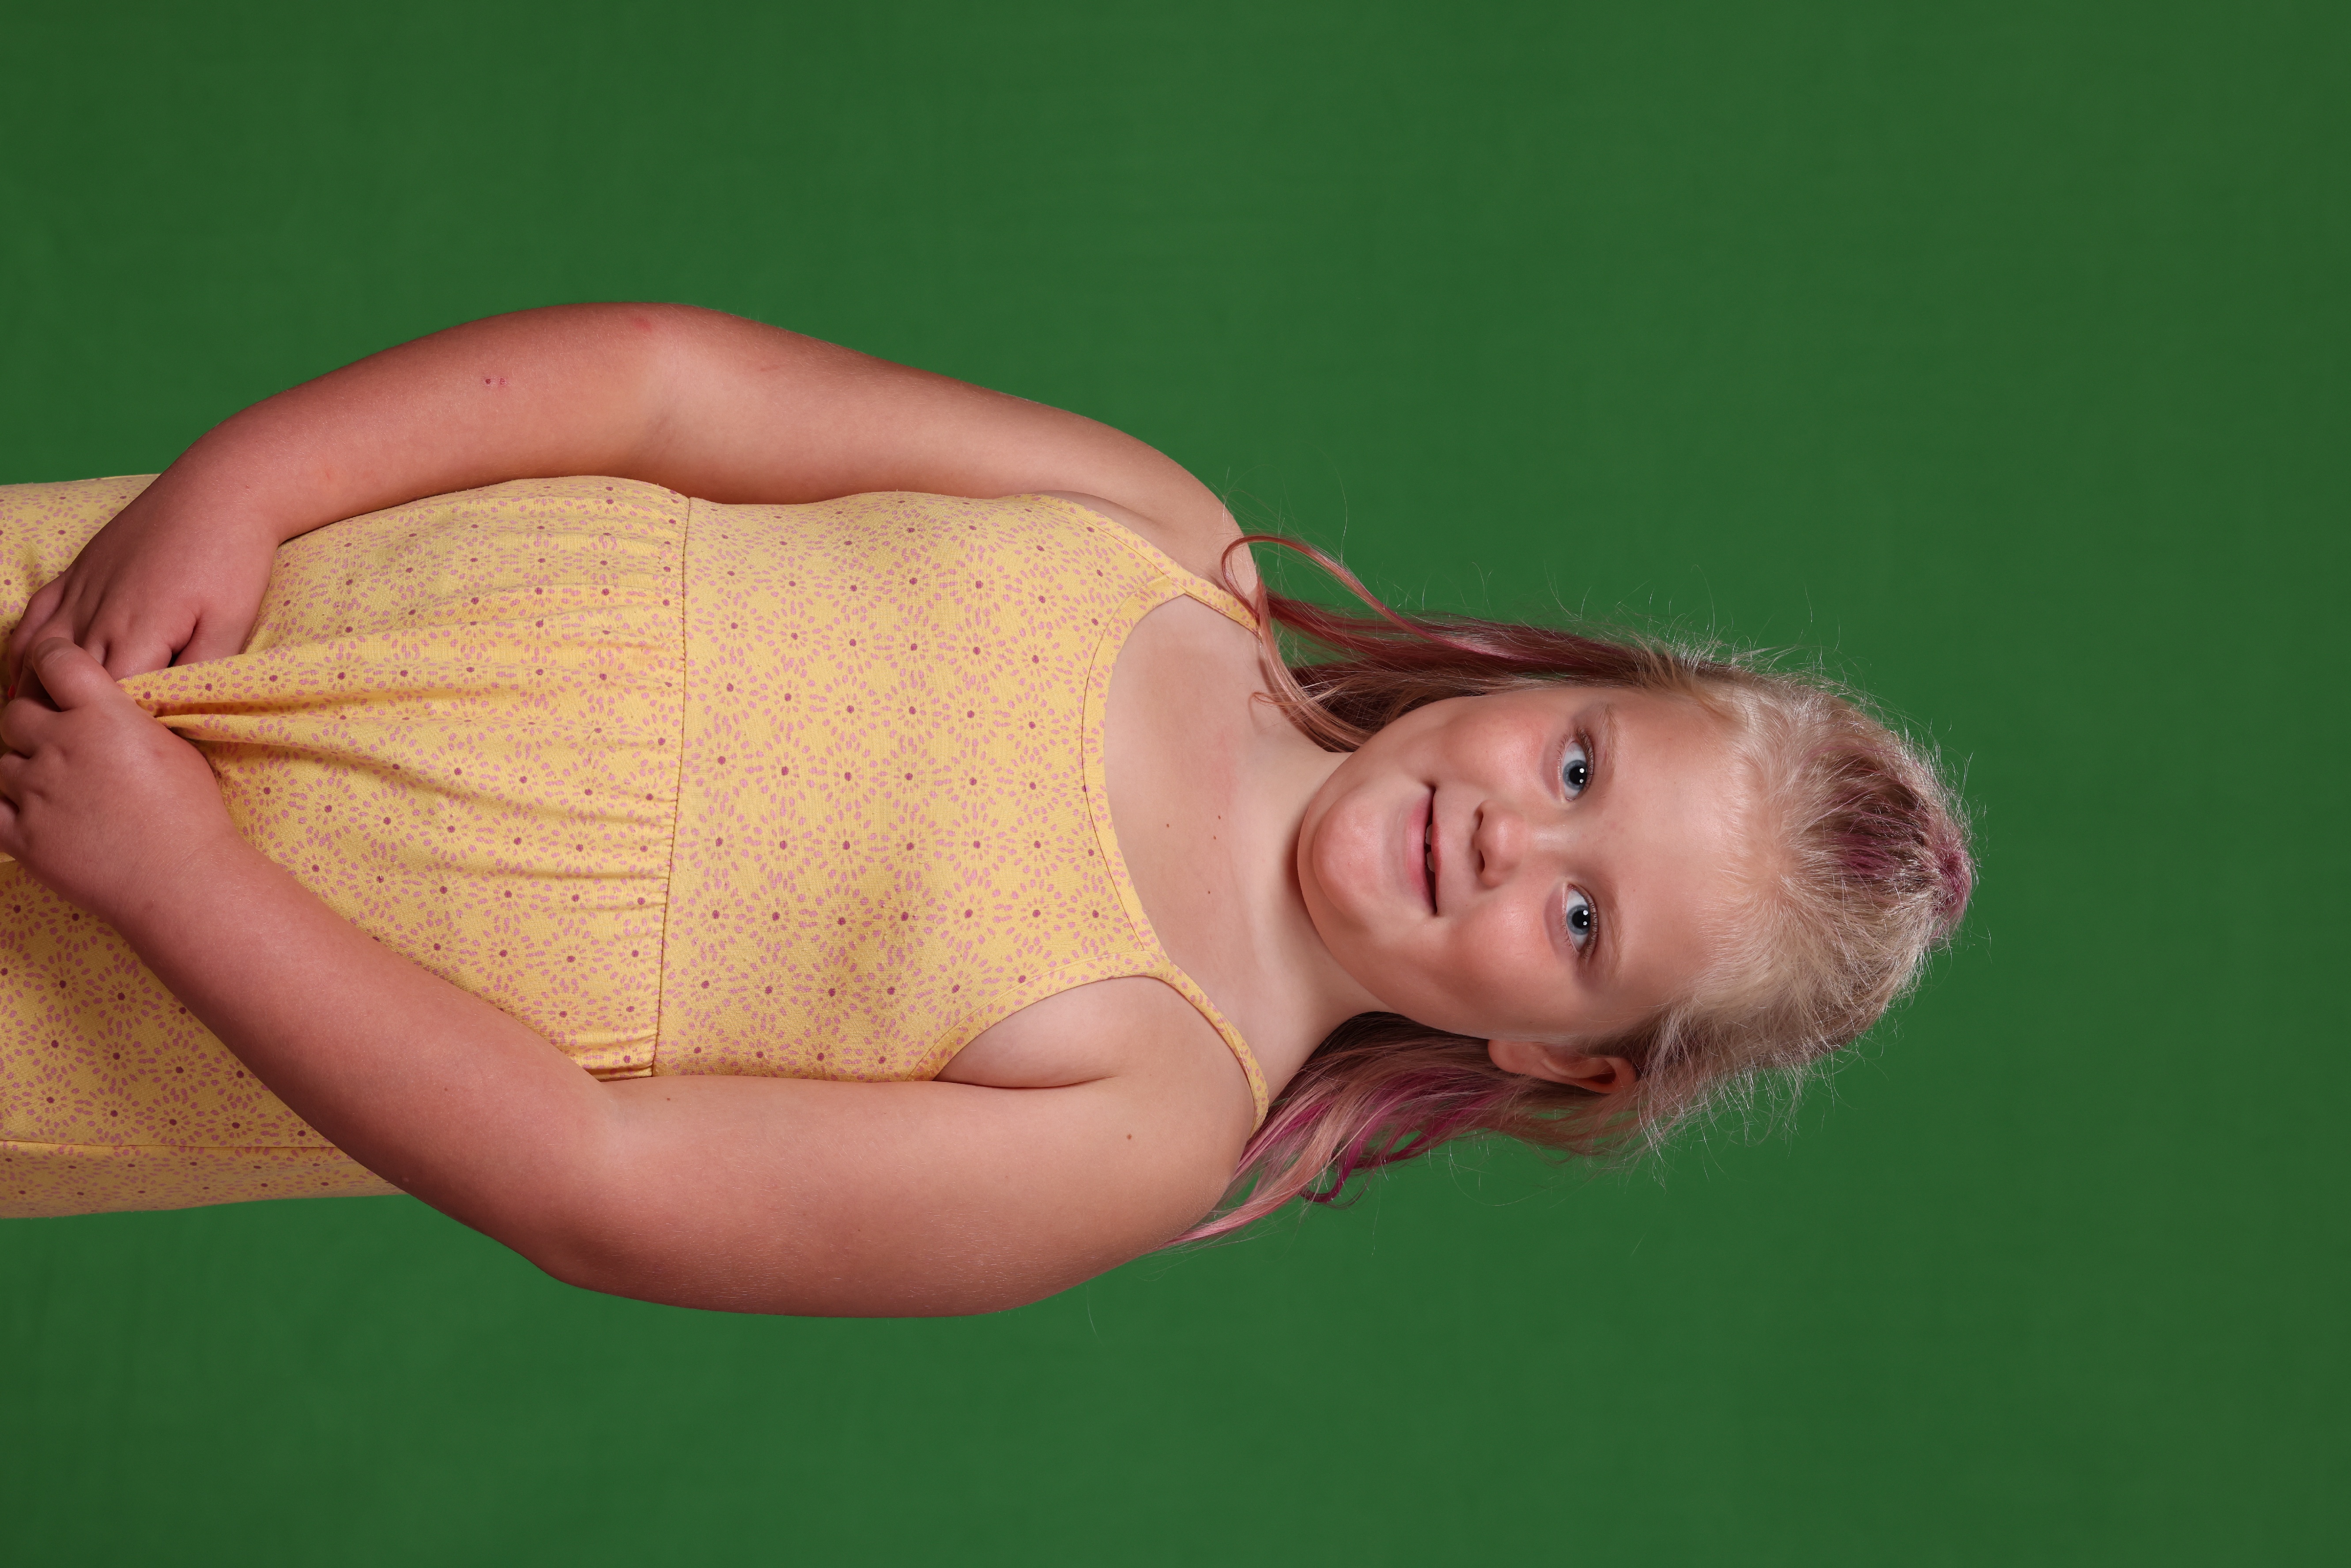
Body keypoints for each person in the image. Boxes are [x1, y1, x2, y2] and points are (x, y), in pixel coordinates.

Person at [0, 304, 1971, 1315]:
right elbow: (674, 386)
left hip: (132, 961)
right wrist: (242, 483)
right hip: (177, 605)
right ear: (1557, 687)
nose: (1511, 840)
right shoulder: (1154, 534)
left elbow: (598, 1182)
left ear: (1557, 1056)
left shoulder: (1141, 1120)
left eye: (1583, 923)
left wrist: (173, 883)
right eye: (1580, 769)